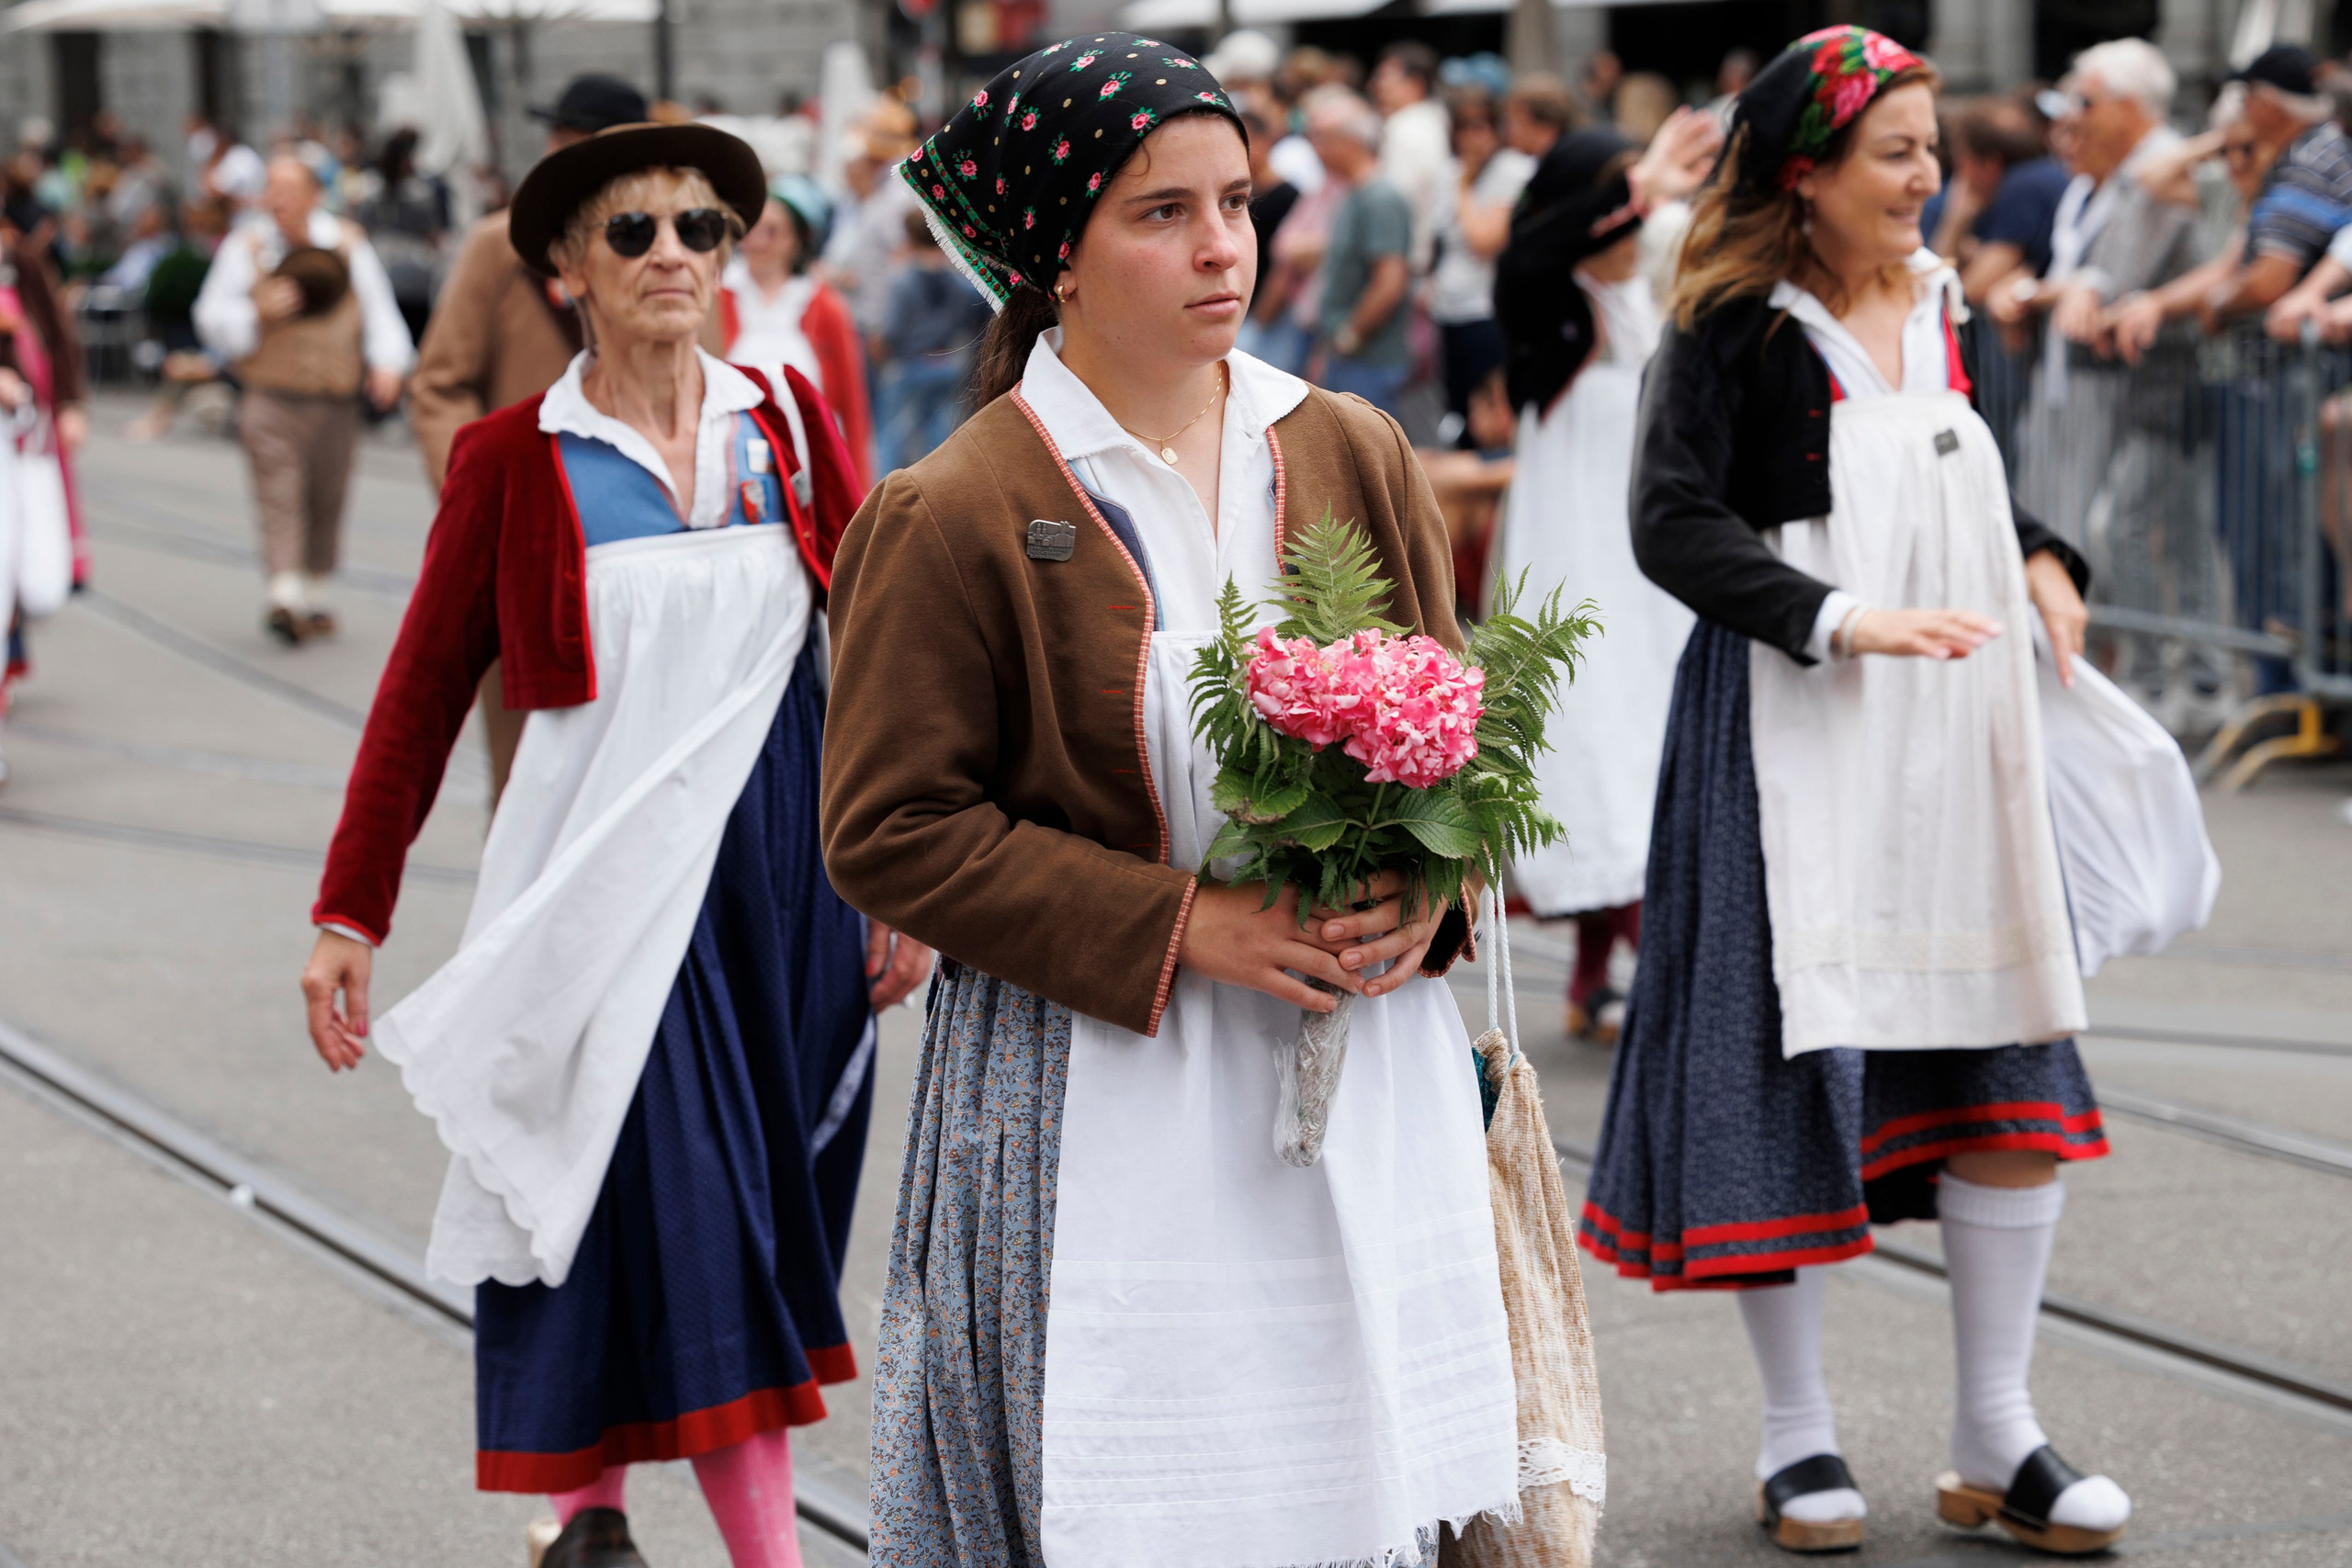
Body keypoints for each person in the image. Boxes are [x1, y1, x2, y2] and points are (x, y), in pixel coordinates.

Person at [827, 34, 1528, 1563]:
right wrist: (1183, 923)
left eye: (1238, 200)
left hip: (1366, 1067)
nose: (1224, 246)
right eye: (1162, 213)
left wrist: (1427, 888)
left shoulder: (1350, 446)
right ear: (1052, 256)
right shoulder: (954, 509)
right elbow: (886, 828)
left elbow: (1452, 732)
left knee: (1365, 1486)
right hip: (1114, 1085)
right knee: (1155, 1498)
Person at [299, 120, 928, 1568]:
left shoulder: (783, 419)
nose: (674, 255)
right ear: (565, 268)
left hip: (780, 882)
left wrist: (897, 878)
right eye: (633, 232)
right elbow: (416, 693)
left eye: (700, 228)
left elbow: (882, 652)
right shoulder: (517, 459)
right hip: (605, 894)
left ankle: (588, 1518)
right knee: (693, 1202)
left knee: (715, 1204)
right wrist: (352, 907)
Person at [1586, 28, 2132, 1556]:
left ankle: (1994, 1434)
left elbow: (1957, 477)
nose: (1927, 173)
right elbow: (1672, 524)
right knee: (1784, 1067)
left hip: (1956, 735)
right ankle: (1796, 1436)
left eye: (1931, 144)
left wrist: (2037, 555)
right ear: (1806, 173)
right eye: (1895, 149)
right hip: (1790, 721)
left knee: (2009, 1055)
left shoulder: (1944, 304)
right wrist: (1836, 618)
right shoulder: (1735, 327)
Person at [1492, 116, 1715, 1041]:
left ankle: (1603, 969)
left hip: (1646, 536)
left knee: (1647, 721)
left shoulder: (1651, 290)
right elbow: (1533, 249)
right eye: (1619, 196)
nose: (1635, 215)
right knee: (1586, 723)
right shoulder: (1546, 290)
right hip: (1574, 533)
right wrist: (1642, 182)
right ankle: (1622, 958)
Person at [408, 74, 651, 799]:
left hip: (645, 538)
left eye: (572, 137)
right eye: (555, 136)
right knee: (528, 783)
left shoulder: (670, 244)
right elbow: (438, 383)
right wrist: (483, 504)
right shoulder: (498, 244)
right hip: (529, 543)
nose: (554, 150)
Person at [192, 153, 413, 645]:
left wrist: (388, 363)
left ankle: (313, 590)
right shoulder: (245, 247)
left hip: (334, 399)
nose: (278, 196)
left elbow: (380, 312)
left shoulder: (348, 246)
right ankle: (285, 592)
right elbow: (209, 316)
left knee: (326, 496)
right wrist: (255, 315)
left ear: (316, 195)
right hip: (269, 397)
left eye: (290, 186)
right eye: (272, 185)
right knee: (279, 492)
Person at [721, 176, 873, 491]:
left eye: (772, 230)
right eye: (752, 228)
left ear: (797, 239)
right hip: (728, 465)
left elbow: (852, 403)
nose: (757, 241)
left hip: (806, 464)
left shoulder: (824, 306)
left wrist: (857, 488)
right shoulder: (719, 296)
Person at [1426, 87, 1533, 448]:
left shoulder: (1513, 171)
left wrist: (1467, 186)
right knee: (1458, 409)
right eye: (1465, 127)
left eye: (1482, 126)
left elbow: (1483, 240)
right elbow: (1439, 236)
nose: (1474, 137)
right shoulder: (1449, 171)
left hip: (1487, 310)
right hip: (1448, 308)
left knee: (1491, 413)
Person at [1306, 86, 1414, 413]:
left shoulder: (1379, 197)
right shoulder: (1353, 192)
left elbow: (1390, 283)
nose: (1314, 148)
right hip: (1352, 357)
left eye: (1321, 137)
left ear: (1350, 141)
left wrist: (1348, 338)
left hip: (1369, 361)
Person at [873, 210, 987, 470]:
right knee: (939, 436)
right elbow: (971, 315)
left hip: (911, 363)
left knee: (893, 436)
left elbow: (892, 329)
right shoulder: (956, 281)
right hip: (946, 361)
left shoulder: (903, 280)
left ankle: (884, 494)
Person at [1370, 40, 1450, 269]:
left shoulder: (1406, 128)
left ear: (1415, 83)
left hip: (1404, 259)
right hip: (1418, 254)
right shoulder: (1433, 120)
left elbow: (1395, 199)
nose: (1378, 85)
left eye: (1386, 77)